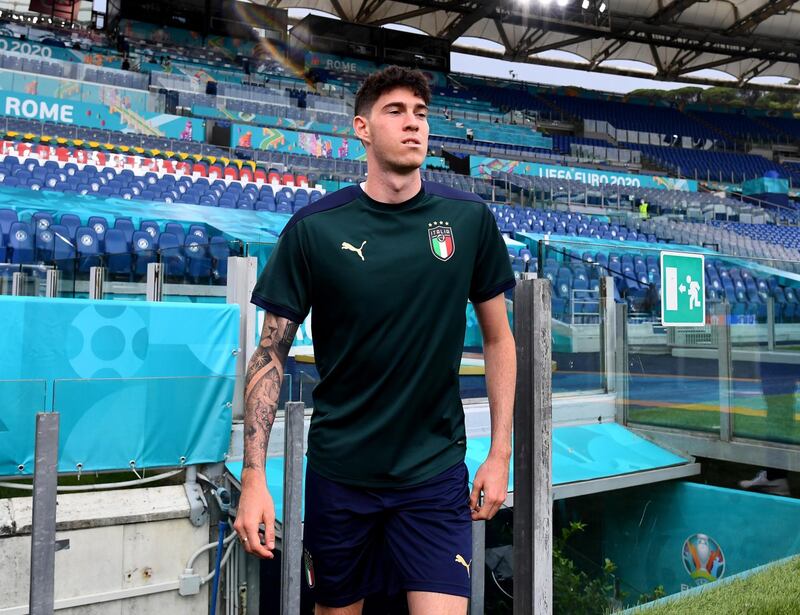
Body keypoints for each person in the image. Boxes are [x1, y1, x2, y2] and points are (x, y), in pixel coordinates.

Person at [234, 65, 516, 614]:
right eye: (395, 111)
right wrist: (253, 476)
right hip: (341, 473)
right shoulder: (315, 229)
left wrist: (499, 453)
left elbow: (500, 340)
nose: (413, 124)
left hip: (434, 473)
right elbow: (269, 354)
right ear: (361, 128)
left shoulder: (468, 221)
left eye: (421, 113)